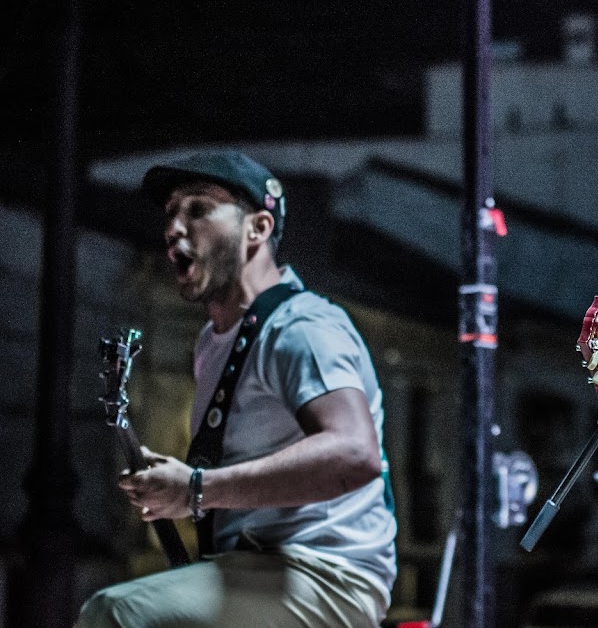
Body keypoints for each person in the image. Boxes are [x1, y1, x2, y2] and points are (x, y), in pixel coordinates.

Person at [78, 151, 397, 628]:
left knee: (115, 613)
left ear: (258, 228)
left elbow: (354, 453)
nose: (173, 229)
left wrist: (196, 489)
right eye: (171, 214)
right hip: (255, 571)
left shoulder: (303, 325)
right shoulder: (212, 343)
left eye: (199, 209)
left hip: (326, 576)